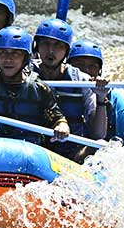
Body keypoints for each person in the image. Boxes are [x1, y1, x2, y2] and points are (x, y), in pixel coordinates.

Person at [32, 18, 108, 162]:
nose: (50, 51)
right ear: (37, 46)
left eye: (57, 45)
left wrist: (101, 98)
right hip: (32, 149)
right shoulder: (24, 73)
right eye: (45, 43)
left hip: (71, 155)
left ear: (66, 50)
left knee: (100, 145)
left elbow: (98, 134)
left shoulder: (81, 80)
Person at [68, 39, 124, 150]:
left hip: (105, 151)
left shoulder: (114, 98)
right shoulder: (61, 92)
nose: (86, 70)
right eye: (79, 65)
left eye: (92, 66)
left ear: (99, 71)